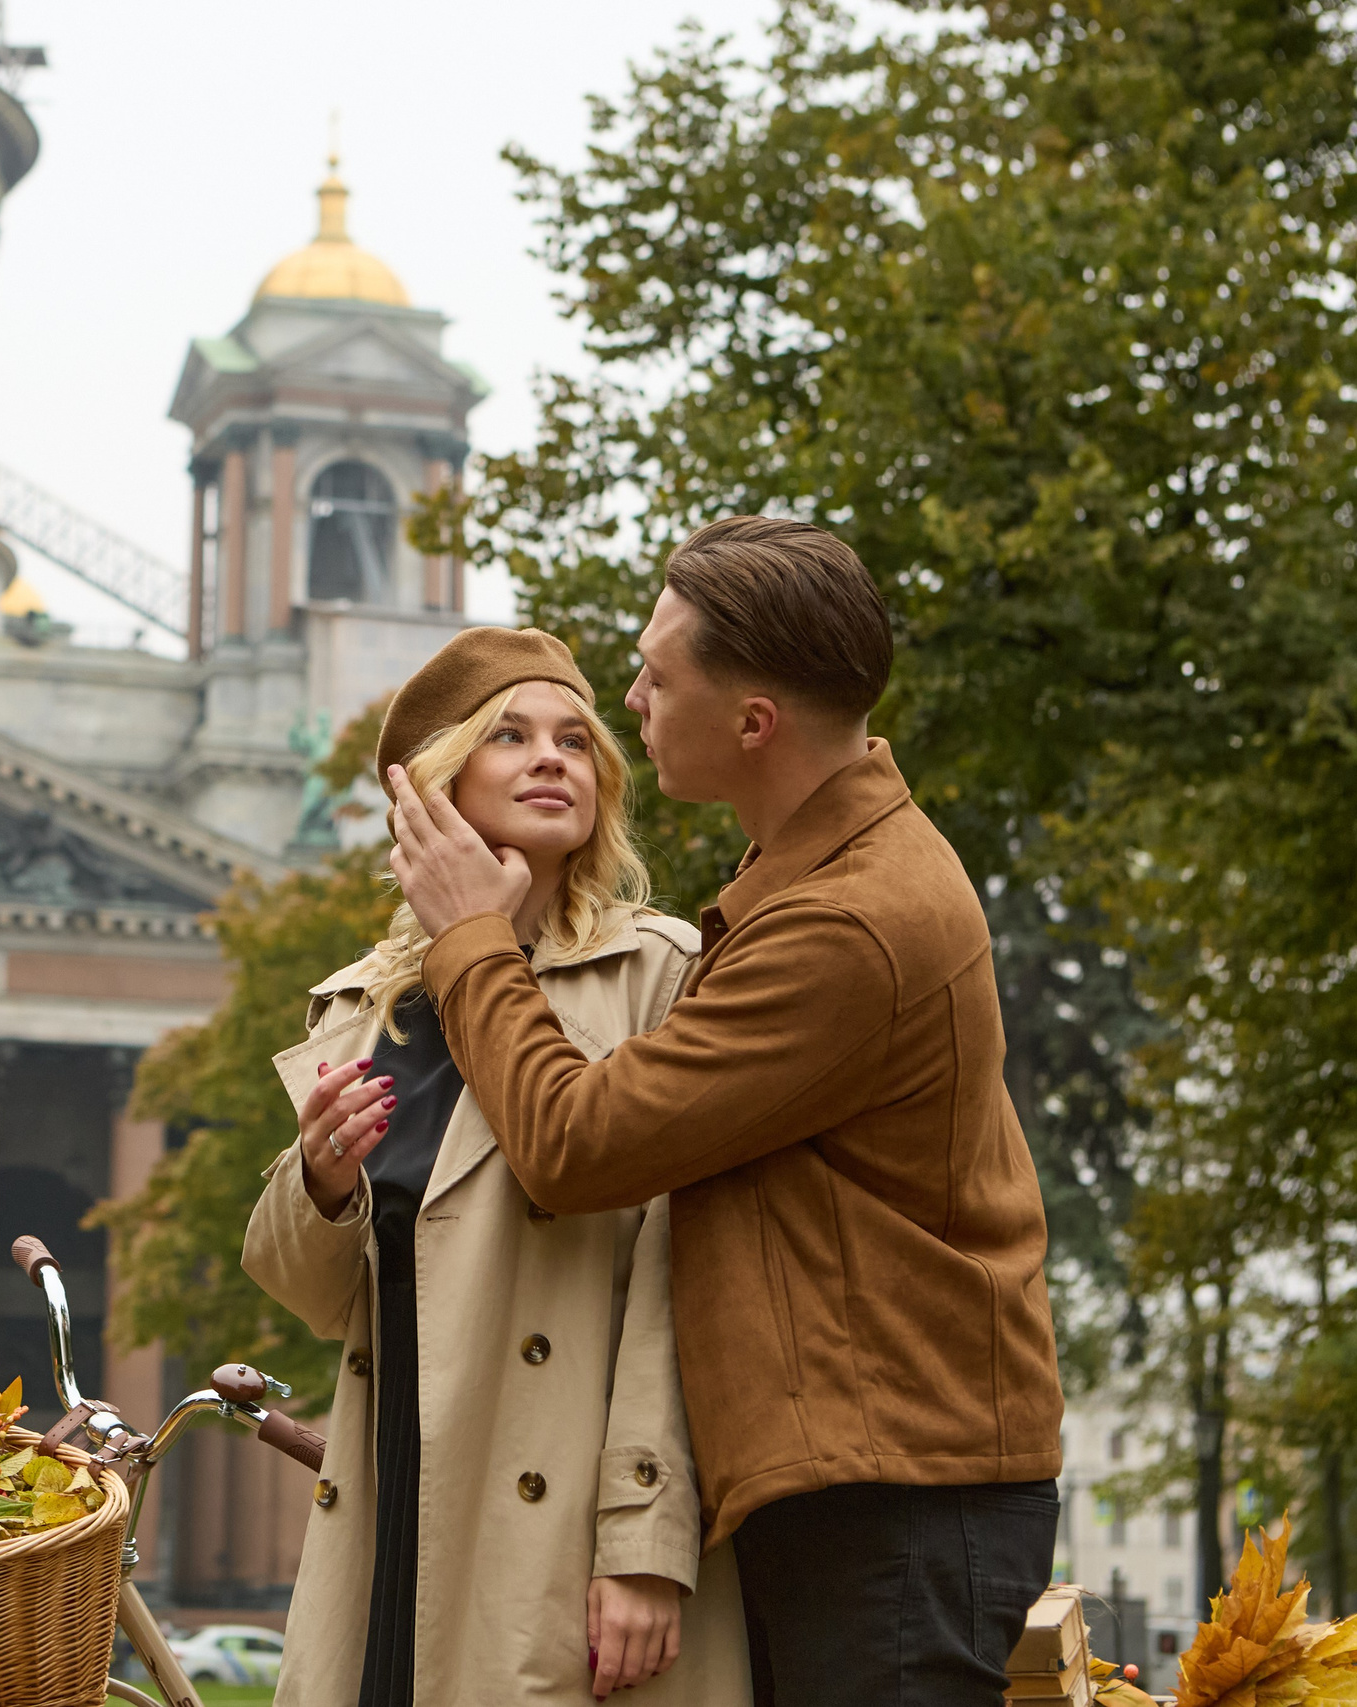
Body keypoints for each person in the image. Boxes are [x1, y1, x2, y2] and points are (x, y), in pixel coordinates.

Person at [384, 516, 1064, 1707]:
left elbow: (574, 1145)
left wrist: (470, 941)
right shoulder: (806, 882)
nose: (632, 696)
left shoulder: (846, 923)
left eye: (657, 671)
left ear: (752, 721)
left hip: (895, 1508)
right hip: (863, 1488)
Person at [244, 627, 752, 1707]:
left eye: (576, 739)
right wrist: (320, 1184)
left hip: (564, 1519)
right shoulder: (365, 1002)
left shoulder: (659, 972)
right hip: (398, 1503)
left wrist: (646, 1539)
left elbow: (689, 1271)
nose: (551, 756)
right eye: (509, 735)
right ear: (439, 782)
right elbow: (326, 1304)